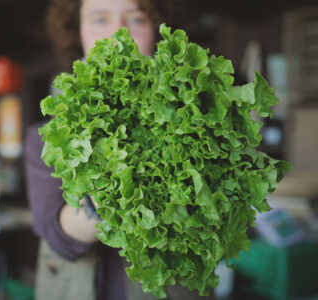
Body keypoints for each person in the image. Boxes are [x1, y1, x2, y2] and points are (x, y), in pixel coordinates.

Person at [24, 0, 214, 299]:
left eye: (136, 19)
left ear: (158, 29)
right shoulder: (46, 135)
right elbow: (60, 238)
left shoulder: (197, 120)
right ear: (78, 32)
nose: (118, 34)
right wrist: (113, 189)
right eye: (100, 19)